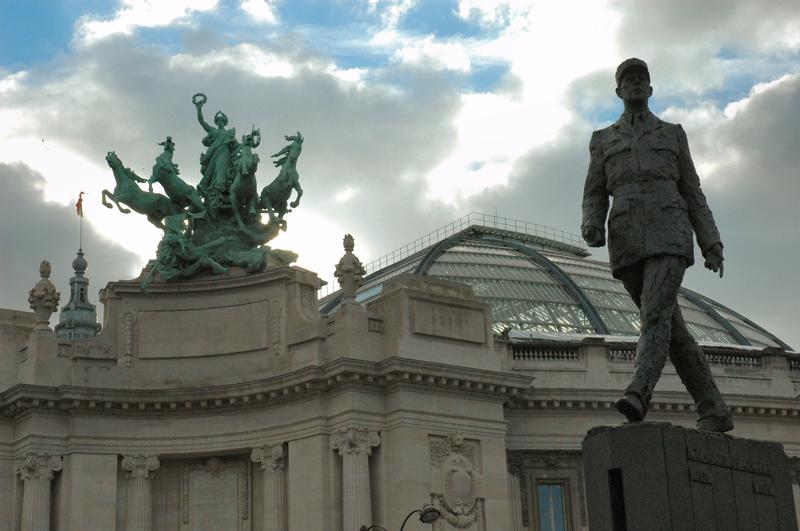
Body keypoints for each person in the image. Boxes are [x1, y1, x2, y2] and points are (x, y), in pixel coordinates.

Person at [581, 58, 733, 432]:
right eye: (628, 80)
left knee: (653, 314)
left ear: (650, 89)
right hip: (627, 237)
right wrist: (591, 224)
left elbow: (692, 190)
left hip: (670, 231)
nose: (635, 85)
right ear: (618, 91)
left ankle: (639, 391)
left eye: (641, 79)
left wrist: (710, 241)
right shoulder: (603, 139)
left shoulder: (671, 133)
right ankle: (713, 406)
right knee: (669, 326)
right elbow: (595, 192)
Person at [193, 93, 238, 217]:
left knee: (221, 172)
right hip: (213, 155)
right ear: (216, 122)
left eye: (222, 121)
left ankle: (219, 191)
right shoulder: (213, 131)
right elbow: (202, 122)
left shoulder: (229, 133)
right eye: (218, 121)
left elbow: (236, 146)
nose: (220, 122)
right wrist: (199, 108)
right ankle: (213, 194)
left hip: (224, 155)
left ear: (225, 122)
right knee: (212, 174)